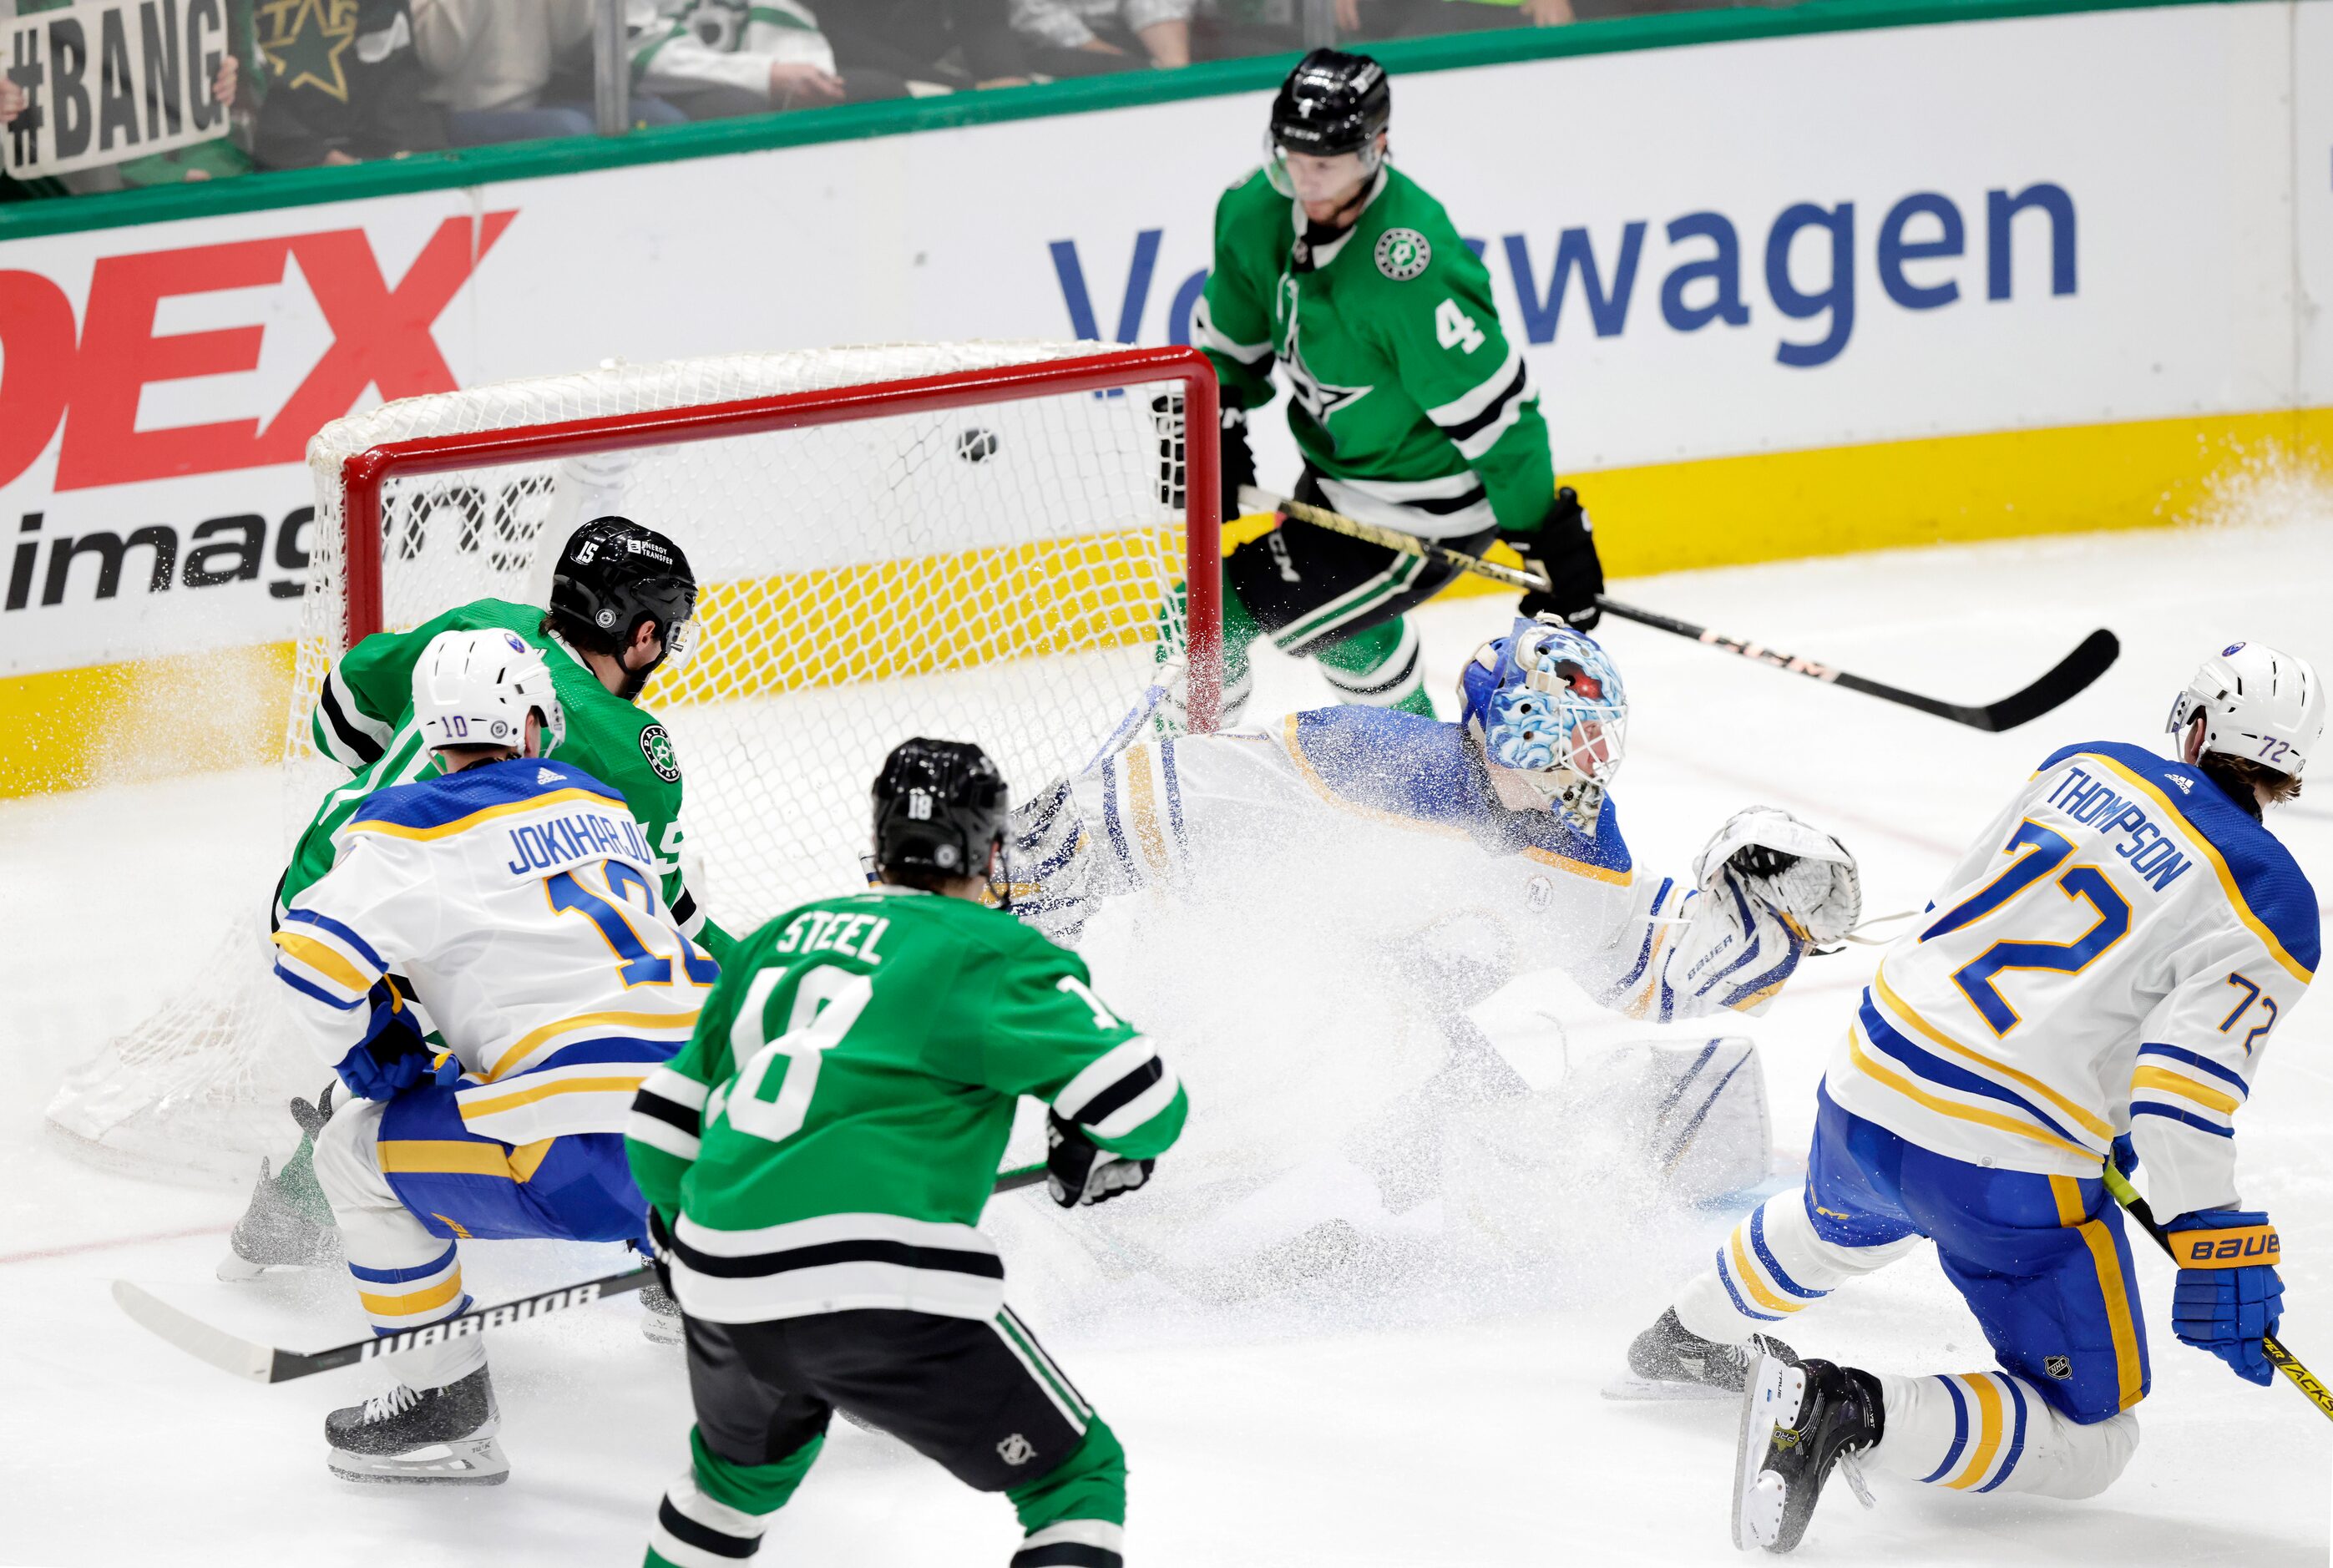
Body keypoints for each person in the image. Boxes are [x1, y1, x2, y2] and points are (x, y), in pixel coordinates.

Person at [1621, 642, 2322, 1554]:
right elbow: (2178, 1098)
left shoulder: (2087, 766)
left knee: (1841, 1225)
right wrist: (2215, 1239)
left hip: (1867, 1082)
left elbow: (1960, 909)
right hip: (2004, 1169)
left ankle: (1679, 1336)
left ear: (2194, 728)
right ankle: (1847, 1409)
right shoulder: (2270, 895)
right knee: (2093, 1437)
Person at [626, 737, 1187, 1568]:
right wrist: (1086, 1142)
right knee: (1077, 1481)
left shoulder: (778, 938)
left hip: (723, 1281)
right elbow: (1143, 1102)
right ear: (991, 851)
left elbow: (659, 1132)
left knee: (729, 1490)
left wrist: (679, 1239)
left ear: (882, 841)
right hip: (881, 1278)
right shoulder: (988, 951)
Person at [221, 514, 731, 1276]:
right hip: (402, 906)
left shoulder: (484, 628)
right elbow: (651, 911)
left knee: (416, 1036)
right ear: (645, 635)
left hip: (321, 882)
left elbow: (343, 714)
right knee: (487, 1042)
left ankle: (317, 1194)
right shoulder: (629, 748)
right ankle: (300, 1216)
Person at [272, 629, 717, 1483]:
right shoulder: (604, 805)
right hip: (721, 1137)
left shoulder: (408, 824)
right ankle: (739, 1293)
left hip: (581, 1155)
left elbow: (311, 960)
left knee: (348, 1152)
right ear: (534, 726)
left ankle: (445, 1406)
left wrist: (372, 1042)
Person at [1013, 616, 1858, 1030]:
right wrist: (1031, 873)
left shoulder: (1582, 848)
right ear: (1501, 725)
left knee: (1489, 1138)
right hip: (1206, 1006)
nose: (1580, 768)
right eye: (1556, 738)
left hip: (1374, 1055)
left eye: (1591, 745)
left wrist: (1771, 920)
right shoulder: (1372, 763)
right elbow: (1123, 810)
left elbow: (1649, 967)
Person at [1187, 49, 1601, 726]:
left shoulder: (1412, 264)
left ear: (1376, 148)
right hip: (1334, 479)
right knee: (1344, 635)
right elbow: (1230, 340)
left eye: (1328, 164)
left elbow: (1500, 420)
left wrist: (1546, 531)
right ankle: (1426, 783)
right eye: (1292, 156)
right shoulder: (1252, 210)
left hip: (1425, 510)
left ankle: (1167, 795)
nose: (1307, 182)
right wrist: (1219, 419)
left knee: (1205, 614)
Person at [1009, 0, 1191, 73]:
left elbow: (1158, 6)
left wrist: (1177, 78)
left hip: (1140, 38)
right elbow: (1037, 16)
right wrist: (1139, 71)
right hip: (1046, 51)